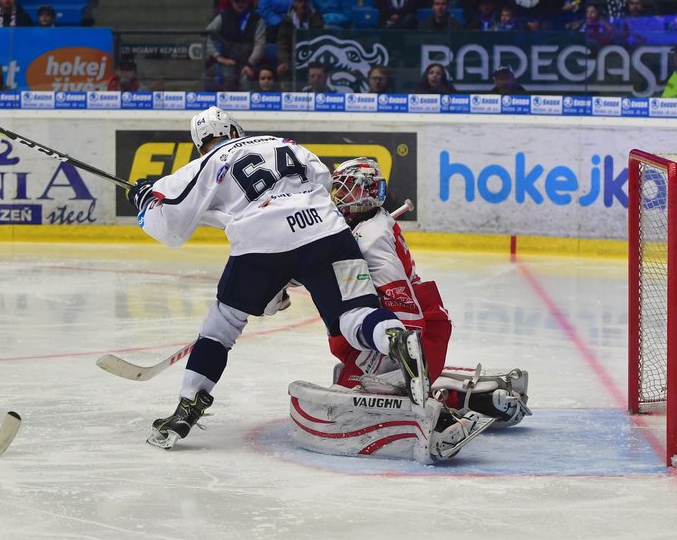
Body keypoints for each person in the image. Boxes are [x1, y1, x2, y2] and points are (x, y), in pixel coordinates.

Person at [127, 107, 475, 456]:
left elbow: (169, 225)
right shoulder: (284, 144)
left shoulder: (207, 163)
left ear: (199, 144)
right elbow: (322, 182)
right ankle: (395, 338)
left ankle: (186, 409)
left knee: (222, 326)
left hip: (262, 244)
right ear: (236, 129)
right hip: (328, 232)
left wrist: (144, 199)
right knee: (354, 314)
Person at [327, 157, 531, 427]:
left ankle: (449, 415)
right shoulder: (369, 223)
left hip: (415, 327)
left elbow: (402, 306)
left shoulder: (371, 239)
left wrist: (404, 359)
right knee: (365, 378)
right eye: (339, 188)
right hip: (419, 321)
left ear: (367, 191)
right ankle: (482, 396)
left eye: (346, 188)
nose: (338, 195)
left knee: (357, 390)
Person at [206, 0, 267, 90]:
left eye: (243, 1)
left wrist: (250, 63)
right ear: (232, 2)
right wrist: (218, 57)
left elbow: (260, 44)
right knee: (228, 78)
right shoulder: (223, 17)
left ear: (247, 2)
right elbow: (206, 34)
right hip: (227, 61)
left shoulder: (257, 19)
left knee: (247, 79)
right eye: (236, 1)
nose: (240, 4)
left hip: (249, 61)